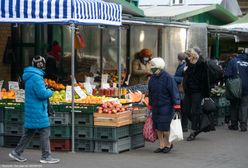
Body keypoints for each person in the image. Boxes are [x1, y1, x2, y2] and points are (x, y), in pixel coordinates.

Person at [9, 56, 60, 164]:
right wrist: (50, 91)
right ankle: (46, 156)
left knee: (29, 132)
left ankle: (16, 152)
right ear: (42, 65)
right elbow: (41, 94)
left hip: (31, 108)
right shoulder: (37, 77)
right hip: (38, 109)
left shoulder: (30, 75)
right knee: (45, 131)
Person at [148, 57, 181, 153]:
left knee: (165, 127)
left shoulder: (168, 78)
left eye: (152, 65)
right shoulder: (152, 78)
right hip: (155, 106)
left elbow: (174, 92)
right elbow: (150, 92)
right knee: (157, 127)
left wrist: (177, 105)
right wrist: (150, 104)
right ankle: (162, 145)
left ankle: (169, 144)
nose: (150, 67)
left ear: (158, 66)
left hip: (166, 106)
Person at [182, 48, 210, 141]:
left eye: (188, 56)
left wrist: (206, 95)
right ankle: (200, 123)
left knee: (195, 111)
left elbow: (206, 79)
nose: (187, 58)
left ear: (193, 55)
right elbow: (186, 76)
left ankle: (193, 132)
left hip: (198, 91)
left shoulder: (201, 64)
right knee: (185, 110)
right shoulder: (188, 64)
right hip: (188, 91)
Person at [224, 52, 248, 132]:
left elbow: (227, 74)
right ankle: (243, 125)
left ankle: (234, 125)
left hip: (235, 87)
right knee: (244, 106)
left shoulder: (233, 61)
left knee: (234, 105)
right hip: (246, 87)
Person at [174, 52, 188, 132]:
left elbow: (183, 78)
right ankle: (183, 126)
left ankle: (183, 126)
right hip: (181, 89)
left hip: (182, 90)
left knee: (181, 108)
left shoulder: (184, 65)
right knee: (181, 108)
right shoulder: (182, 65)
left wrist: (174, 78)